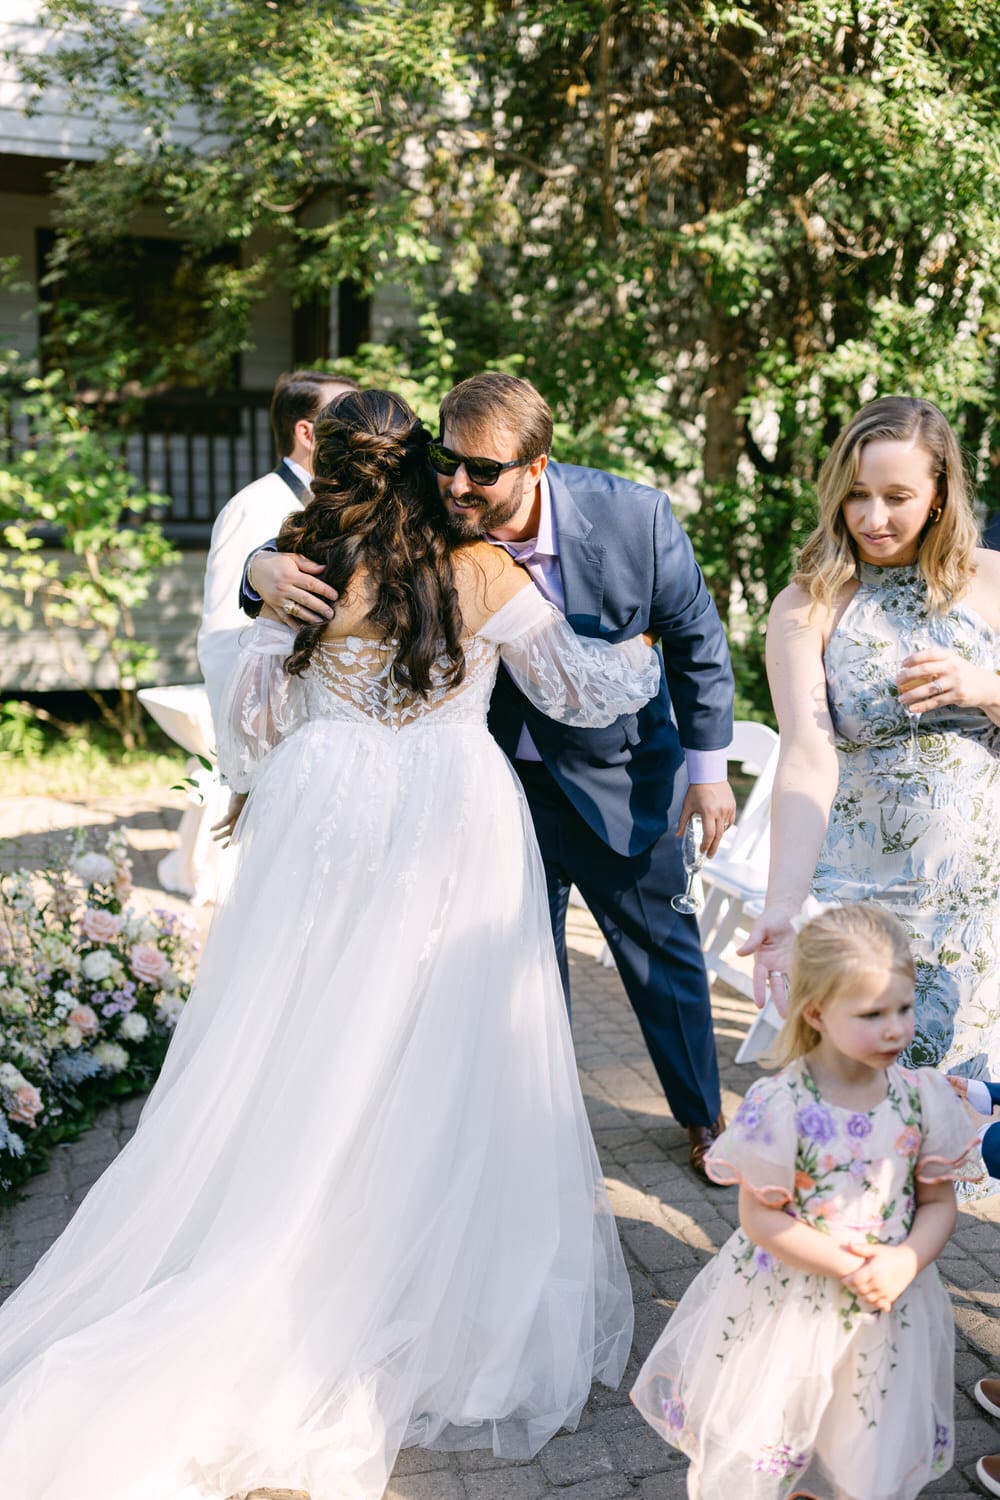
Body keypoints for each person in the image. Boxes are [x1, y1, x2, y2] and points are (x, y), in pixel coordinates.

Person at [0, 389, 661, 1499]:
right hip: (451, 810)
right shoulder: (482, 571)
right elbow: (581, 695)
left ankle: (291, 1228)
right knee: (438, 1045)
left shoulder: (299, 568)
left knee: (305, 1033)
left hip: (325, 812)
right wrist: (641, 652)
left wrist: (281, 638)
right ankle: (405, 1265)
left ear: (327, 466)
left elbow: (251, 728)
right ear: (420, 467)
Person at [242, 372, 737, 1181]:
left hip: (622, 778)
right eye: (446, 461)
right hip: (488, 789)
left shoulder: (634, 517)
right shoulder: (432, 505)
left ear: (536, 465)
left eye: (482, 470)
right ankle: (531, 1132)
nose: (457, 483)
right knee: (512, 976)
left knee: (664, 957)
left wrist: (707, 773)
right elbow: (340, 532)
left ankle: (705, 1119)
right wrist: (262, 565)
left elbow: (694, 639)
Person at [630, 902, 981, 1500]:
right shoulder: (783, 1104)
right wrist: (850, 1266)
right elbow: (760, 1216)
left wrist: (906, 1260)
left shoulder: (923, 1098)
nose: (896, 1029)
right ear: (816, 1012)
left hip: (886, 1305)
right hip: (792, 1301)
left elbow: (937, 1202)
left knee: (860, 1434)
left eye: (903, 1007)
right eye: (873, 1014)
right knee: (781, 1427)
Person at [740, 396, 1000, 1104]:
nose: (872, 518)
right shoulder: (808, 603)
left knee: (955, 1133)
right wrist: (783, 910)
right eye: (856, 495)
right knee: (858, 1120)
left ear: (941, 494)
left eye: (897, 497)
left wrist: (981, 685)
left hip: (977, 914)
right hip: (863, 914)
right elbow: (805, 756)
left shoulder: (991, 582)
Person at [196, 367, 359, 728]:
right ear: (307, 433)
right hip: (277, 725)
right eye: (346, 418)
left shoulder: (348, 507)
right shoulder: (253, 506)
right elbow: (222, 640)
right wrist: (245, 750)